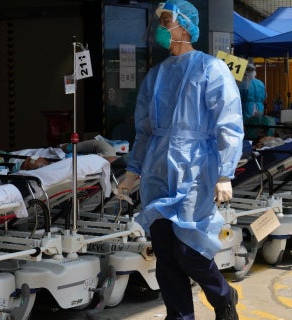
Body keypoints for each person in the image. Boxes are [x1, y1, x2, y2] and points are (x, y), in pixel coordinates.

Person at [116, 1, 243, 319]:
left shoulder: (210, 68)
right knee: (166, 255)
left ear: (184, 27)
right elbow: (144, 131)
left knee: (190, 251)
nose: (161, 27)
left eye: (167, 21)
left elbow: (228, 122)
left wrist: (225, 173)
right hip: (158, 173)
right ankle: (179, 316)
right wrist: (133, 172)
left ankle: (224, 296)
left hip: (196, 171)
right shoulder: (155, 77)